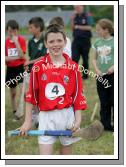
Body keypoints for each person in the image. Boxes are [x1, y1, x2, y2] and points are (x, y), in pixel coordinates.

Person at [20, 24, 87, 155]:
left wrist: (78, 121)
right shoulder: (38, 67)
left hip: (68, 117)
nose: (55, 44)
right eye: (51, 41)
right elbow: (31, 96)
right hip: (45, 117)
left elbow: (78, 97)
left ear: (65, 42)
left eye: (59, 40)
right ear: (46, 43)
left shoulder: (73, 67)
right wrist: (28, 121)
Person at [92, 18, 114, 132]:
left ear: (106, 30)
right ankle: (105, 125)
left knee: (114, 100)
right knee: (104, 100)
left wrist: (114, 67)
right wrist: (97, 70)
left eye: (99, 30)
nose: (97, 32)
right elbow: (94, 59)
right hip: (101, 76)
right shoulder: (97, 42)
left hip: (114, 76)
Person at [25, 17, 47, 127]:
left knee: (41, 93)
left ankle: (42, 117)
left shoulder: (45, 40)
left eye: (31, 27)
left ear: (38, 28)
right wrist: (28, 64)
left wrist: (30, 61)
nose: (29, 29)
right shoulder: (30, 41)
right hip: (31, 71)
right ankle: (34, 118)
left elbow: (44, 57)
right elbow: (30, 56)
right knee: (30, 94)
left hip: (42, 71)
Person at [5, 20, 26, 120]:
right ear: (6, 31)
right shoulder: (5, 42)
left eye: (14, 31)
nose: (12, 33)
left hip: (20, 68)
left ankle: (22, 111)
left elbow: (22, 55)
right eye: (10, 31)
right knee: (13, 93)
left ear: (17, 31)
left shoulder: (21, 40)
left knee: (23, 91)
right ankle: (14, 110)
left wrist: (16, 41)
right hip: (10, 69)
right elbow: (5, 58)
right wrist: (16, 57)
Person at [70, 5, 92, 79]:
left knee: (85, 59)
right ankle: (74, 75)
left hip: (85, 41)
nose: (77, 9)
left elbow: (90, 27)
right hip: (76, 40)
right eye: (75, 8)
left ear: (82, 7)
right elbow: (72, 28)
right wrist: (72, 20)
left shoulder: (88, 15)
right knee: (74, 58)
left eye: (78, 7)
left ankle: (85, 75)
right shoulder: (74, 16)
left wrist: (78, 26)